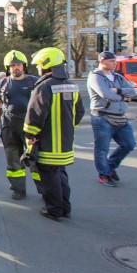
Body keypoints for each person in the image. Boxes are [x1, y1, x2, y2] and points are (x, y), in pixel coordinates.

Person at [24, 47, 85, 221]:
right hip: (65, 143)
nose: (38, 69)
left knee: (49, 177)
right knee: (61, 174)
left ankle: (54, 209)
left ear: (46, 65)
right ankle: (65, 207)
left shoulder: (44, 86)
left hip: (48, 143)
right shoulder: (72, 85)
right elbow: (79, 112)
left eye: (39, 66)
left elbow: (35, 114)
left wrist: (30, 135)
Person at [0, 51, 40, 200]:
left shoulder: (34, 82)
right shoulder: (2, 83)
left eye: (18, 65)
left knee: (36, 158)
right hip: (9, 126)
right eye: (12, 65)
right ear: (7, 67)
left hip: (30, 127)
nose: (16, 67)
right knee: (13, 158)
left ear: (24, 66)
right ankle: (18, 189)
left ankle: (45, 188)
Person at [87, 51, 137, 187]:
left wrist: (119, 91)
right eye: (111, 61)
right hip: (102, 117)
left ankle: (110, 166)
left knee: (129, 144)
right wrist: (123, 96)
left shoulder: (118, 77)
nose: (114, 63)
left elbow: (133, 91)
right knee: (102, 148)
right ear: (102, 61)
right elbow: (106, 94)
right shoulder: (95, 77)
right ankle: (104, 174)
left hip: (120, 117)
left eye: (115, 61)